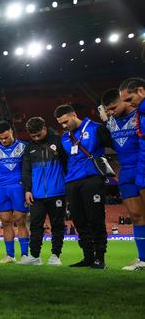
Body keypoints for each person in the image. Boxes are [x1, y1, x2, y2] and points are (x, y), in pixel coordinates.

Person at [55, 104, 113, 269]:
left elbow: (113, 144)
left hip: (92, 179)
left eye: (66, 121)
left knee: (96, 219)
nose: (64, 126)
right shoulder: (65, 138)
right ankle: (88, 257)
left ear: (74, 114)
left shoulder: (96, 128)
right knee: (79, 220)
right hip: (72, 182)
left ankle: (99, 258)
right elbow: (64, 161)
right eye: (61, 124)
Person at [107, 84, 145, 270]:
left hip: (141, 167)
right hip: (125, 172)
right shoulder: (109, 124)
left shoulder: (139, 115)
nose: (111, 113)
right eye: (108, 110)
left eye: (113, 108)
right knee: (136, 216)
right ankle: (143, 259)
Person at [19, 117, 66, 266]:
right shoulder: (29, 147)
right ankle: (34, 256)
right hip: (36, 194)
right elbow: (26, 170)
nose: (36, 138)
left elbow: (67, 164)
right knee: (35, 225)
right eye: (33, 136)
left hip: (57, 192)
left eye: (38, 135)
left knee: (57, 225)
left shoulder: (59, 142)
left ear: (44, 129)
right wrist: (27, 190)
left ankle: (55, 256)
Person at [0, 121, 29, 264]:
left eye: (6, 137)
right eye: (0, 138)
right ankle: (10, 255)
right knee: (5, 221)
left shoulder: (23, 147)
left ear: (11, 133)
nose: (3, 141)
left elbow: (29, 169)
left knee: (20, 220)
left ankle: (25, 255)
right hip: (2, 188)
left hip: (18, 187)